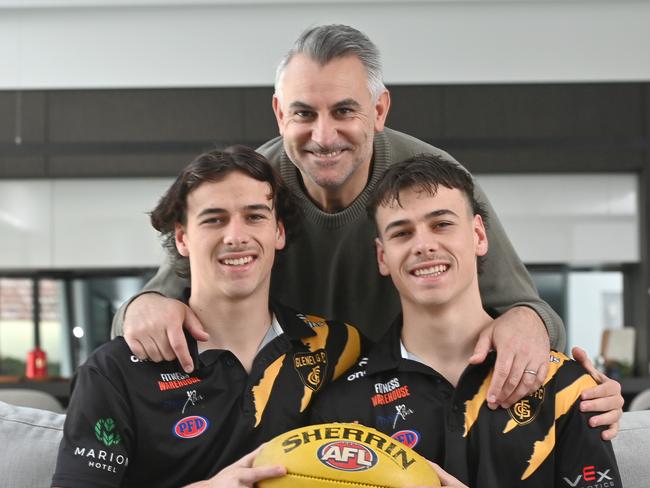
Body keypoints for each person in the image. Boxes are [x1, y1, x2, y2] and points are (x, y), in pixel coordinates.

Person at [113, 24, 622, 431]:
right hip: (278, 404)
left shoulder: (436, 180)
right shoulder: (251, 188)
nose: (323, 135)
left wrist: (530, 330)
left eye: (344, 111)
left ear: (379, 110)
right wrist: (144, 307)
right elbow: (150, 307)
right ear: (279, 114)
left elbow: (526, 307)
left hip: (404, 404)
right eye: (303, 113)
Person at [51, 147, 361, 488]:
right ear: (183, 238)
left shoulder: (340, 347)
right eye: (214, 219)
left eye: (255, 216)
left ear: (278, 232)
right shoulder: (114, 371)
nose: (236, 237)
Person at [309, 155, 622, 487]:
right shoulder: (343, 408)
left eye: (442, 224)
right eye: (402, 233)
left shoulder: (567, 388)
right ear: (383, 256)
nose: (424, 245)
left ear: (479, 236)